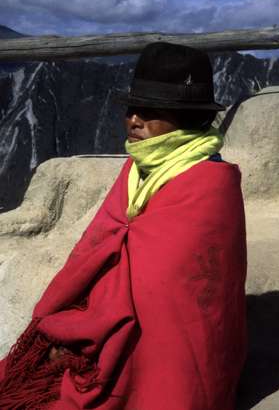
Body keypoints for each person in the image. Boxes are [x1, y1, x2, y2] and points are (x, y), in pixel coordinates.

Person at [0, 42, 247, 410]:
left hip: (173, 358)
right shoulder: (138, 169)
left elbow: (168, 292)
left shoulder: (211, 187)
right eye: (133, 108)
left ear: (190, 118)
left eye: (152, 111)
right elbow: (102, 246)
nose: (134, 119)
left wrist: (81, 331)